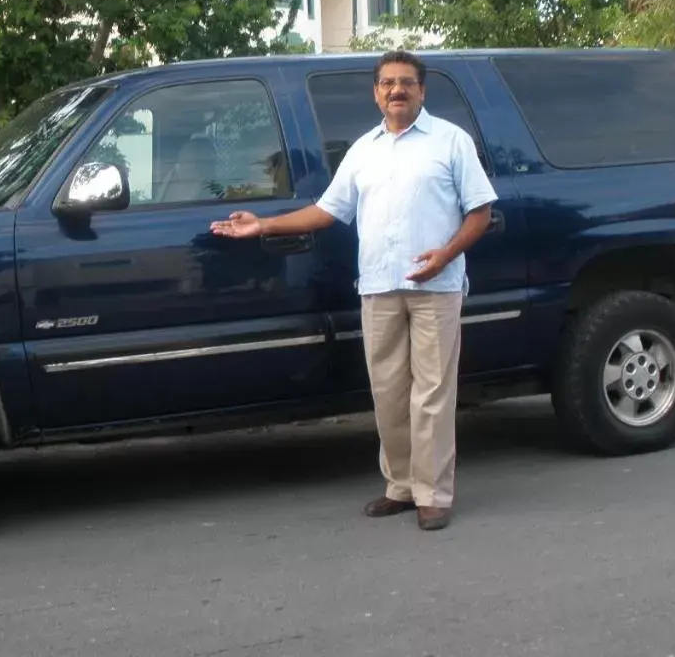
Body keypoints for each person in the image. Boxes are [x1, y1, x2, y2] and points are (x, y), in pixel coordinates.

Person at [210, 50, 497, 531]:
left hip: (436, 286)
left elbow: (480, 212)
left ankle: (433, 494)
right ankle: (401, 487)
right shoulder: (363, 149)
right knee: (388, 392)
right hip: (379, 286)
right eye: (387, 83)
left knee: (431, 393)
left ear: (422, 91)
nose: (397, 90)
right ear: (376, 92)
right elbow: (327, 211)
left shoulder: (451, 142)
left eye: (406, 82)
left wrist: (445, 256)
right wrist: (264, 225)